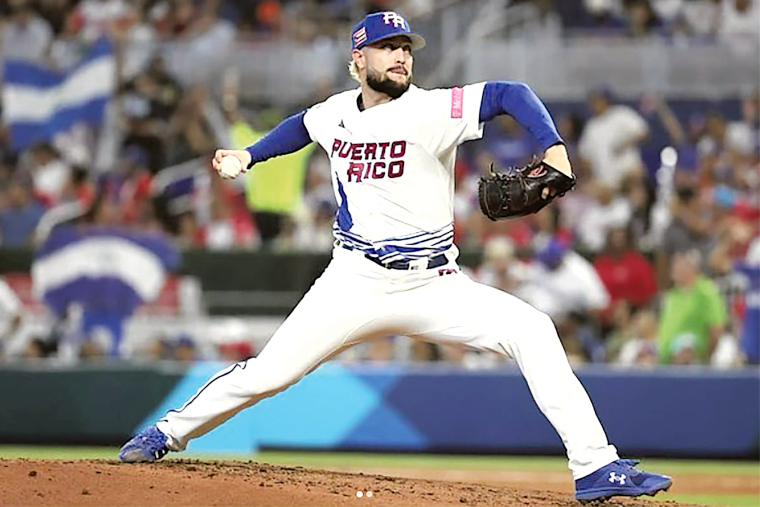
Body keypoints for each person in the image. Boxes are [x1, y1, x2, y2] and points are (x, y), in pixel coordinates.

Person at [118, 11, 672, 502]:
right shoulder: (337, 112)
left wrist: (552, 145)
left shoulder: (432, 110)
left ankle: (595, 466)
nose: (402, 55)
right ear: (359, 59)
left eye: (406, 47)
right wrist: (249, 154)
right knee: (269, 373)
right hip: (353, 281)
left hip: (435, 284)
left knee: (532, 329)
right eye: (389, 47)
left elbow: (511, 91)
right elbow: (300, 128)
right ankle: (166, 431)